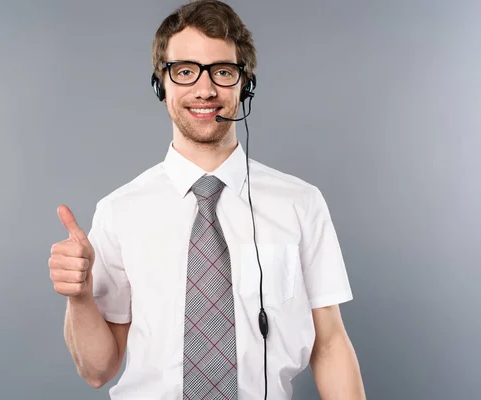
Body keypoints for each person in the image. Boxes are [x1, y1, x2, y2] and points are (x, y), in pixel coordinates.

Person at [48, 0, 366, 398]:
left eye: (222, 71)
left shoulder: (301, 203)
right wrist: (79, 298)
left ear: (245, 84)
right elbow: (98, 370)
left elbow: (331, 343)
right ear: (160, 85)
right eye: (184, 72)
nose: (205, 89)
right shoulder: (118, 212)